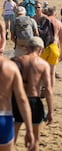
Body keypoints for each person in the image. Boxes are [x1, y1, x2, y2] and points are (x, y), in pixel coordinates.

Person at [12, 37, 53, 151]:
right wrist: (50, 111)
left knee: (13, 136)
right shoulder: (43, 64)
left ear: (27, 48)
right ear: (40, 49)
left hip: (18, 100)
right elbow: (48, 89)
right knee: (35, 138)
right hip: (34, 101)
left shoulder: (17, 60)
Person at [0, 23, 35, 151]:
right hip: (3, 118)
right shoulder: (10, 67)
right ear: (2, 41)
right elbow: (22, 99)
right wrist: (29, 130)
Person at [40, 7, 62, 88]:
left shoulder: (45, 21)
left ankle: (43, 87)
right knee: (52, 73)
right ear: (55, 13)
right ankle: (50, 91)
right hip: (54, 47)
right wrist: (61, 54)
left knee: (42, 70)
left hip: (45, 47)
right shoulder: (59, 23)